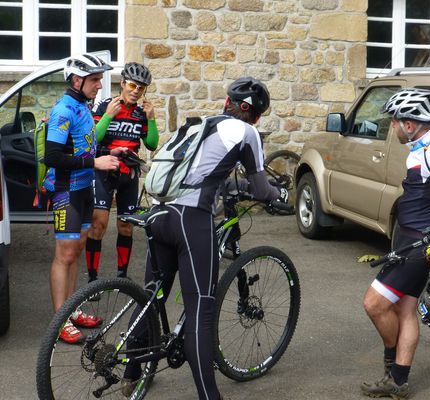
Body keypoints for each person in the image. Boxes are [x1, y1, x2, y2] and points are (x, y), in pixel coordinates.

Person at [122, 77, 289, 400]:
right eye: (258, 116)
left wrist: (231, 189)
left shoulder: (199, 126)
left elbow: (203, 178)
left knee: (151, 298)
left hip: (158, 214)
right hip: (190, 220)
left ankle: (132, 374)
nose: (257, 123)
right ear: (249, 111)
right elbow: (259, 187)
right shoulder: (246, 132)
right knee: (201, 308)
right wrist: (278, 192)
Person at [361, 88, 430, 399]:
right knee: (406, 308)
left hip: (418, 243)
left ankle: (392, 360)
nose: (392, 127)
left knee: (374, 303)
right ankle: (398, 380)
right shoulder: (424, 146)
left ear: (409, 124)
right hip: (411, 237)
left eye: (394, 121)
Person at [43, 54, 126, 344]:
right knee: (64, 254)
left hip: (83, 187)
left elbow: (82, 146)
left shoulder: (82, 106)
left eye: (99, 79)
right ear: (77, 80)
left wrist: (108, 155)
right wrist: (94, 164)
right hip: (66, 189)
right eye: (94, 79)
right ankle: (59, 319)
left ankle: (72, 308)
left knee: (77, 249)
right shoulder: (64, 110)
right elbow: (52, 156)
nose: (100, 85)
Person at [85, 62, 158, 282]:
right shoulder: (105, 106)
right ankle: (92, 278)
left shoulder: (141, 113)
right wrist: (108, 116)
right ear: (123, 83)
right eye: (133, 85)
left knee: (126, 226)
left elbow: (152, 144)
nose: (136, 91)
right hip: (104, 172)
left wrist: (152, 118)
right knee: (98, 224)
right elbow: (93, 141)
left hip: (130, 174)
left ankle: (122, 277)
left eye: (141, 88)